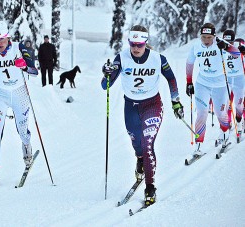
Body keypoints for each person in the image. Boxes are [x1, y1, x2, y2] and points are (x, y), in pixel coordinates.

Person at [101, 25, 184, 207]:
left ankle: (150, 186)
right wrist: (106, 73)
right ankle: (140, 159)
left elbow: (171, 78)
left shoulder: (157, 59)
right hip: (130, 107)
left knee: (147, 143)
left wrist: (176, 101)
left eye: (139, 44)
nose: (136, 48)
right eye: (133, 44)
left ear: (146, 42)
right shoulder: (121, 58)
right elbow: (105, 85)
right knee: (137, 144)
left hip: (152, 105)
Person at [0, 21, 38, 187]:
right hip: (0, 94)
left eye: (2, 40)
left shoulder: (20, 48)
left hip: (19, 93)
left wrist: (24, 66)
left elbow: (34, 71)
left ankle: (26, 145)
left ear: (8, 37)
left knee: (22, 129)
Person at [185, 23, 240, 154]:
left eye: (209, 37)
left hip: (220, 85)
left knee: (221, 113)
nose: (206, 40)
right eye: (203, 37)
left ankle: (225, 133)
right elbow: (189, 63)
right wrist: (189, 82)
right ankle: (198, 145)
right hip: (202, 84)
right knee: (201, 113)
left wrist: (226, 46)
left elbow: (237, 53)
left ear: (214, 36)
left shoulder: (220, 43)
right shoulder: (196, 46)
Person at [221, 30, 244, 137]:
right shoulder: (221, 48)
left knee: (239, 104)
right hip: (228, 80)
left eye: (230, 40)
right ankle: (227, 124)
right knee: (227, 103)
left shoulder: (239, 46)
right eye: (226, 40)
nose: (228, 43)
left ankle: (239, 122)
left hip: (239, 79)